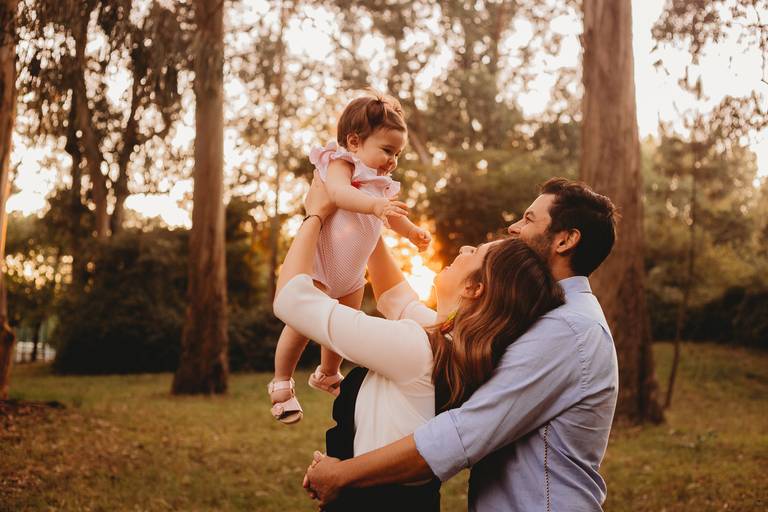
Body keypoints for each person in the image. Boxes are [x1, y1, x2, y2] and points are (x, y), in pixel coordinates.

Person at [304, 178, 620, 512]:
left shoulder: (567, 329)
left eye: (528, 219)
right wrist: (364, 219)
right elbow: (399, 300)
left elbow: (462, 434)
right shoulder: (533, 314)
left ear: (565, 240)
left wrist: (341, 475)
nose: (513, 228)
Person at [269, 92, 431, 424]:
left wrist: (412, 231)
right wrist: (375, 206)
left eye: (397, 154)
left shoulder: (381, 183)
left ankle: (328, 373)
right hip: (322, 264)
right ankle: (282, 383)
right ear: (354, 142)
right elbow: (339, 194)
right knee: (299, 325)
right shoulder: (343, 163)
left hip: (352, 273)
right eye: (387, 150)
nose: (392, 161)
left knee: (344, 325)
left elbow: (392, 216)